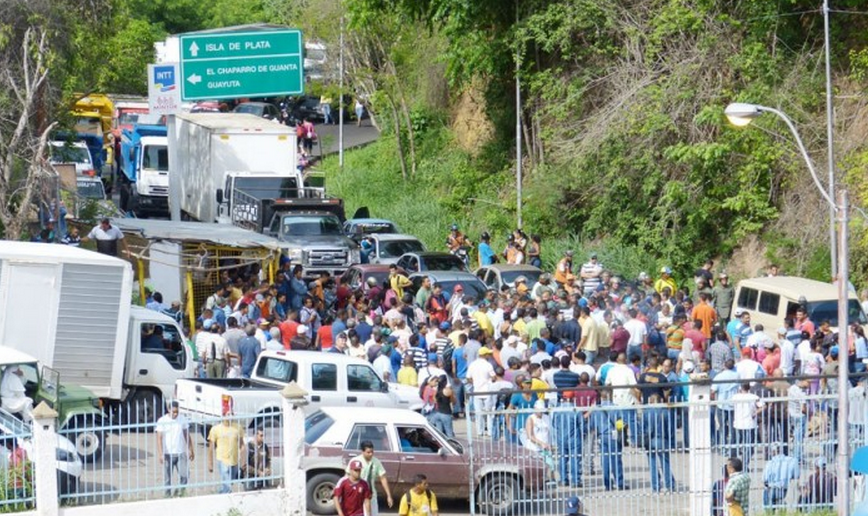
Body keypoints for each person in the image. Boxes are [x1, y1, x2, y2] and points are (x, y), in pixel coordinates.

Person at [156, 401, 194, 497]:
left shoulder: (182, 419)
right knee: (167, 478)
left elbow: (187, 435)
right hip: (168, 453)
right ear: (168, 410)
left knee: (185, 474)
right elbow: (159, 438)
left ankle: (180, 492)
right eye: (173, 412)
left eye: (177, 411)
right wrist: (161, 454)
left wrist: (190, 449)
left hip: (180, 452)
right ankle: (167, 496)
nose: (175, 414)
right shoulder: (162, 421)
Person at [347, 441, 394, 516]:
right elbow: (347, 477)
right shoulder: (355, 461)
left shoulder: (376, 462)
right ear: (362, 451)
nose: (371, 454)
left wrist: (389, 496)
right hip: (357, 495)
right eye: (368, 452)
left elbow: (383, 478)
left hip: (371, 495)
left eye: (372, 452)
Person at [207, 413, 245, 494]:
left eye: (232, 414)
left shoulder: (238, 428)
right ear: (223, 415)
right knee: (227, 485)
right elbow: (211, 448)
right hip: (222, 460)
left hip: (234, 461)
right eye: (228, 414)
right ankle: (225, 501)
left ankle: (220, 494)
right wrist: (210, 463)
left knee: (229, 482)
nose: (230, 416)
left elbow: (242, 446)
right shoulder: (216, 429)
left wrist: (243, 462)